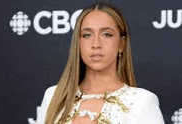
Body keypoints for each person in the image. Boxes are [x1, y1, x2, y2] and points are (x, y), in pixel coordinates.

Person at [32, 2, 165, 124]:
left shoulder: (142, 102)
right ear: (78, 43)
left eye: (106, 34)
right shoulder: (53, 97)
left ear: (121, 44)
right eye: (87, 35)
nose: (96, 44)